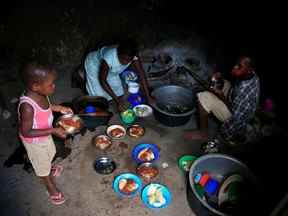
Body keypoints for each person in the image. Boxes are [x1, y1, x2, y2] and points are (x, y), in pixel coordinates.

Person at [18, 62, 73, 205]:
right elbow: (26, 131)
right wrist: (53, 130)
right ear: (36, 86)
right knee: (41, 166)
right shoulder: (27, 107)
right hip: (34, 141)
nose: (54, 86)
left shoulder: (41, 93)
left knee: (50, 152)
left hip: (44, 134)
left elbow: (47, 107)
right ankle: (50, 187)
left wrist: (60, 108)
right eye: (51, 84)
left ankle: (48, 167)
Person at [184, 56, 260, 145]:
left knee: (204, 97)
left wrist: (221, 96)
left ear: (249, 70)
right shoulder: (251, 75)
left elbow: (235, 114)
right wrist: (220, 75)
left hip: (235, 117)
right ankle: (213, 98)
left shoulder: (244, 92)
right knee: (222, 82)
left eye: (239, 66)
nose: (234, 67)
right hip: (236, 102)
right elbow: (234, 76)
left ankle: (203, 133)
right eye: (236, 64)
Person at [84, 39, 152, 112]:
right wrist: (118, 102)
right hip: (94, 65)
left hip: (111, 70)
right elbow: (102, 80)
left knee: (120, 94)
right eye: (123, 59)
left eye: (129, 60)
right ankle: (80, 75)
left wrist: (148, 97)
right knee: (100, 99)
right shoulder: (109, 56)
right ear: (118, 54)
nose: (125, 62)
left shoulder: (133, 55)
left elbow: (141, 73)